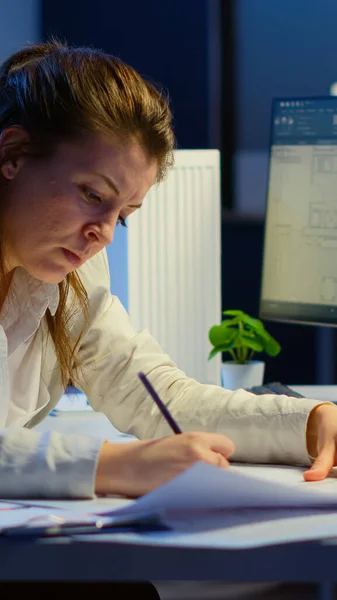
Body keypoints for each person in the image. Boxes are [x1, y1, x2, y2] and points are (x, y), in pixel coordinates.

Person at [0, 38, 336, 502]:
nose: (105, 234)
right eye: (93, 195)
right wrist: (115, 465)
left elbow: (160, 397)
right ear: (12, 155)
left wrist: (308, 422)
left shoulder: (71, 277)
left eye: (122, 215)